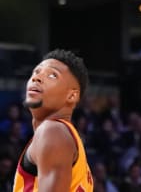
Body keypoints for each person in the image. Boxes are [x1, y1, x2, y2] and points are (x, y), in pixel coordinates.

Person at [13, 49, 94, 191]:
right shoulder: (63, 135)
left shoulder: (52, 131)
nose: (36, 78)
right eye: (36, 72)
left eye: (52, 75)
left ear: (72, 96)